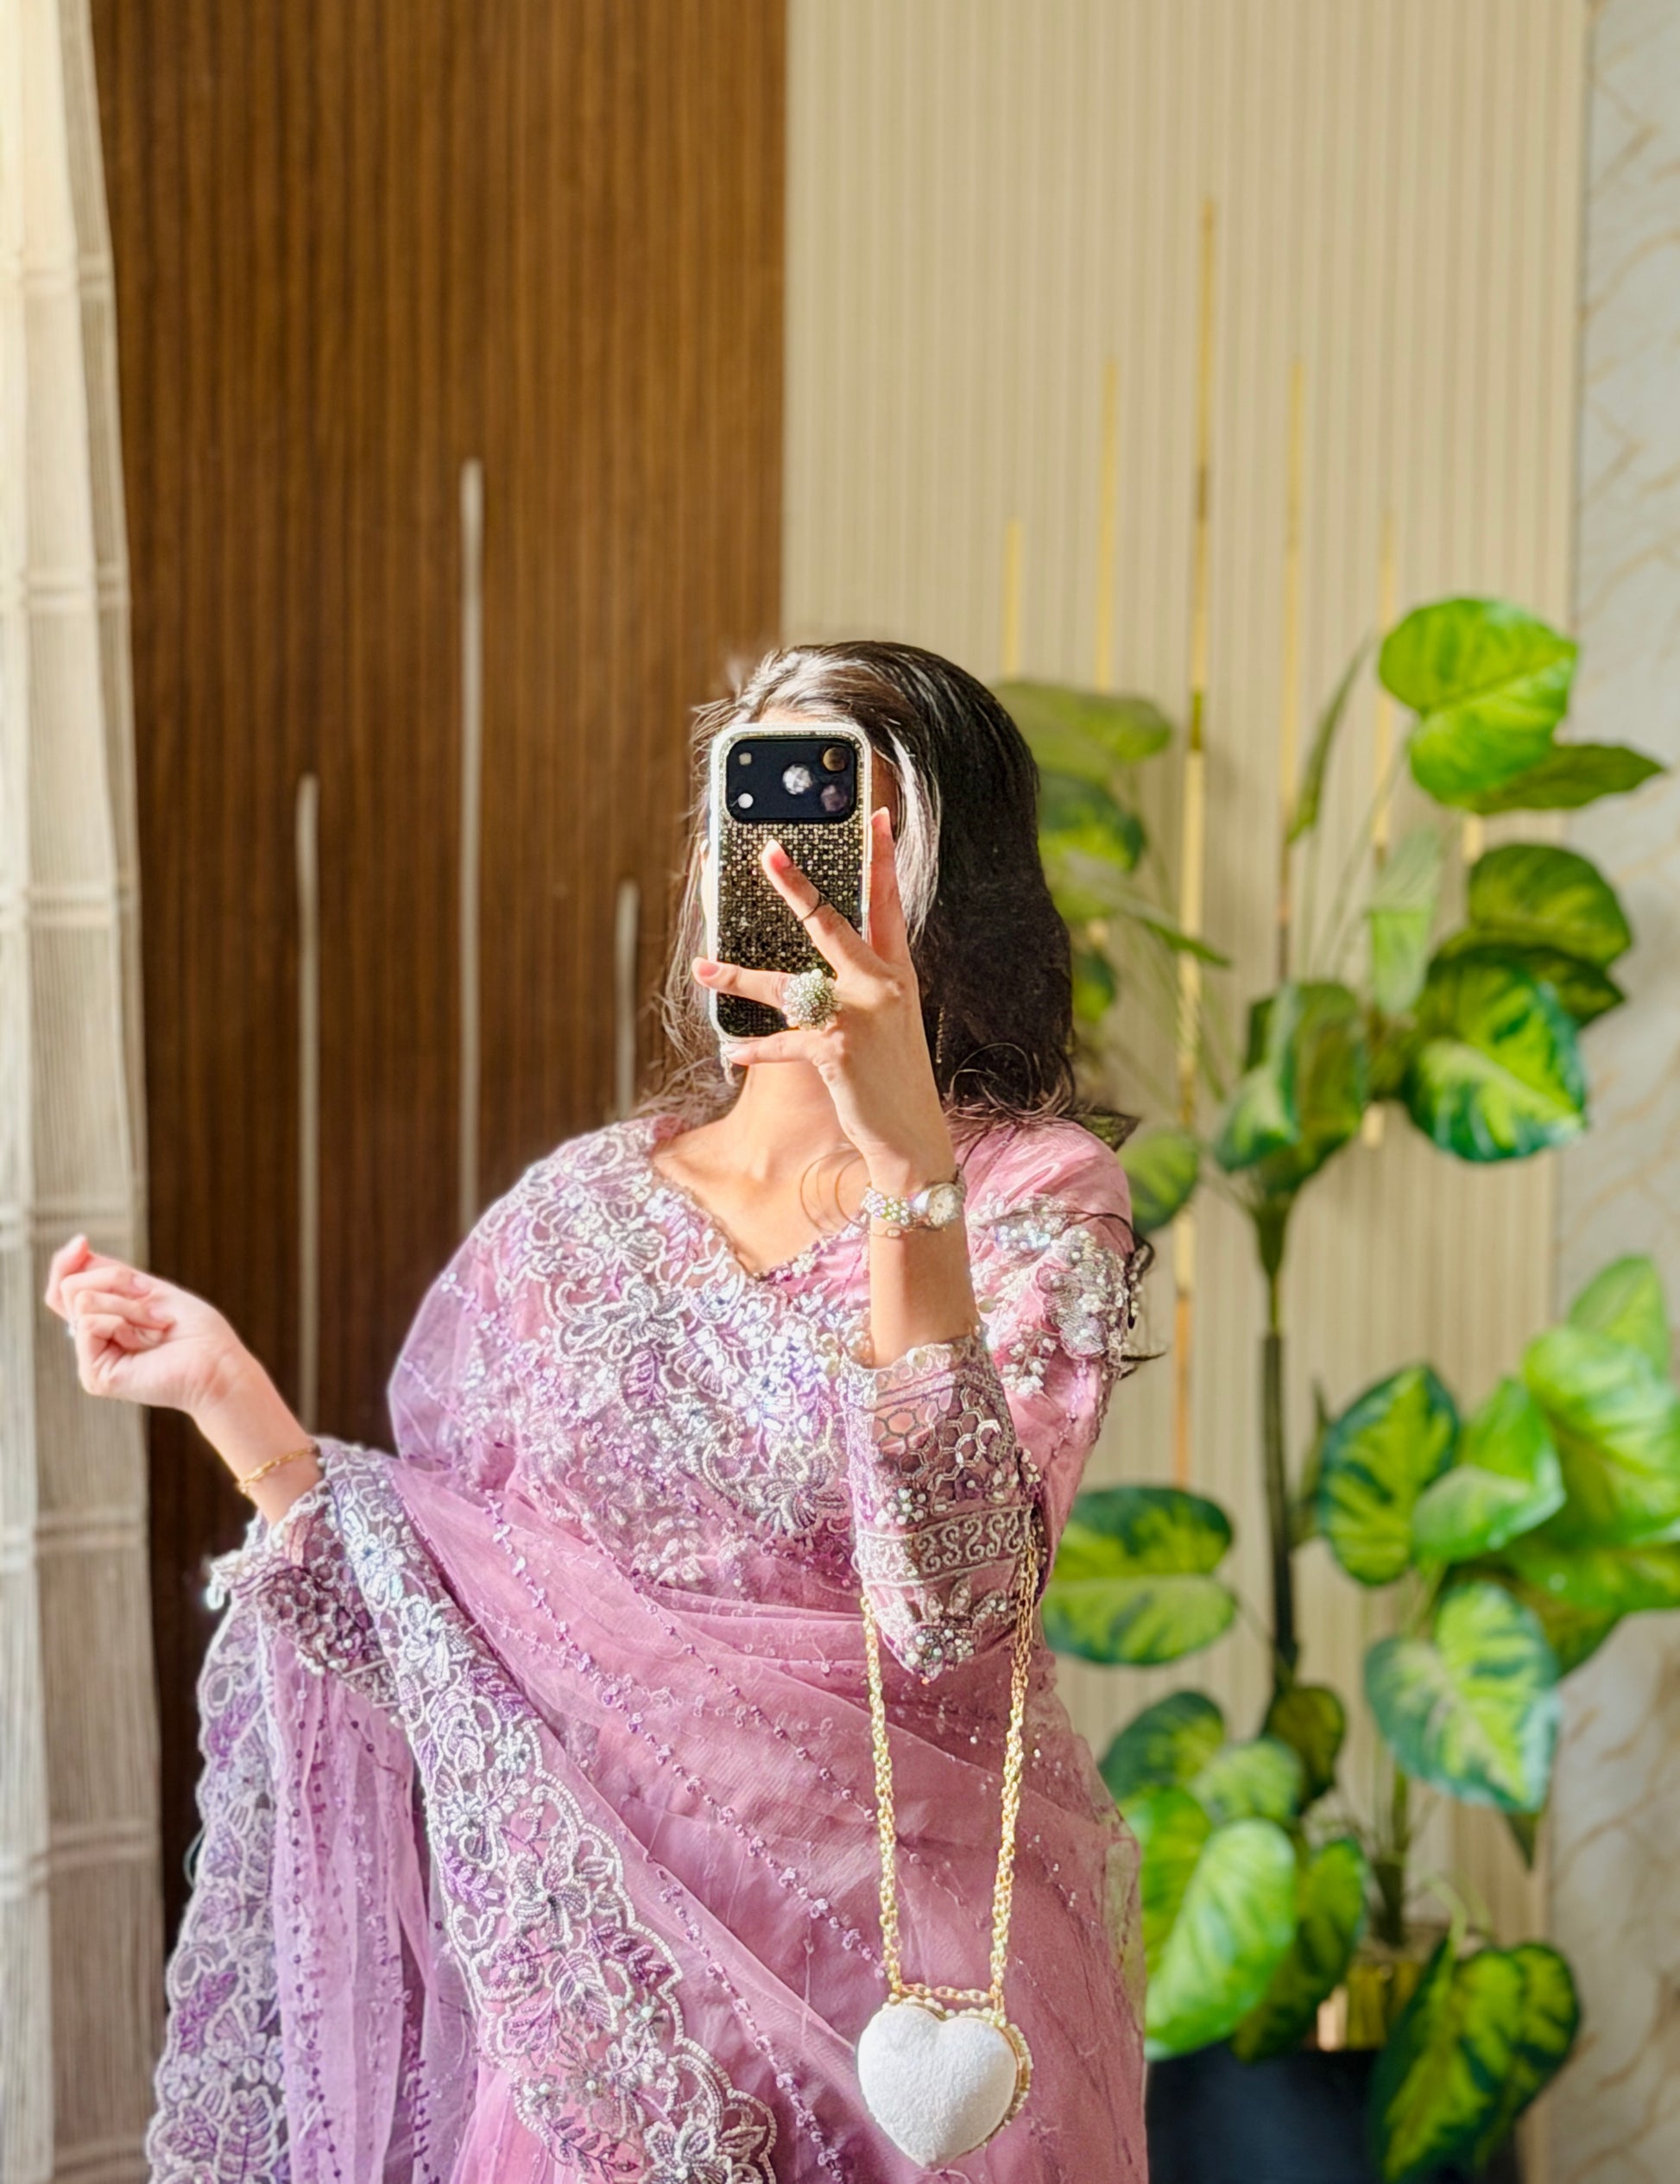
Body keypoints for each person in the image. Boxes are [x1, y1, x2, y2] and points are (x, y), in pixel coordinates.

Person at [51, 641, 1147, 2182]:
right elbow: (452, 1642)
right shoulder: (571, 1218)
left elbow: (952, 1610)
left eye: (834, 827)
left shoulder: (1029, 1193)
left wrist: (909, 1172)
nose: (776, 866)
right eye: (741, 821)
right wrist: (230, 1399)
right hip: (609, 2017)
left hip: (923, 2013)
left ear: (942, 886)